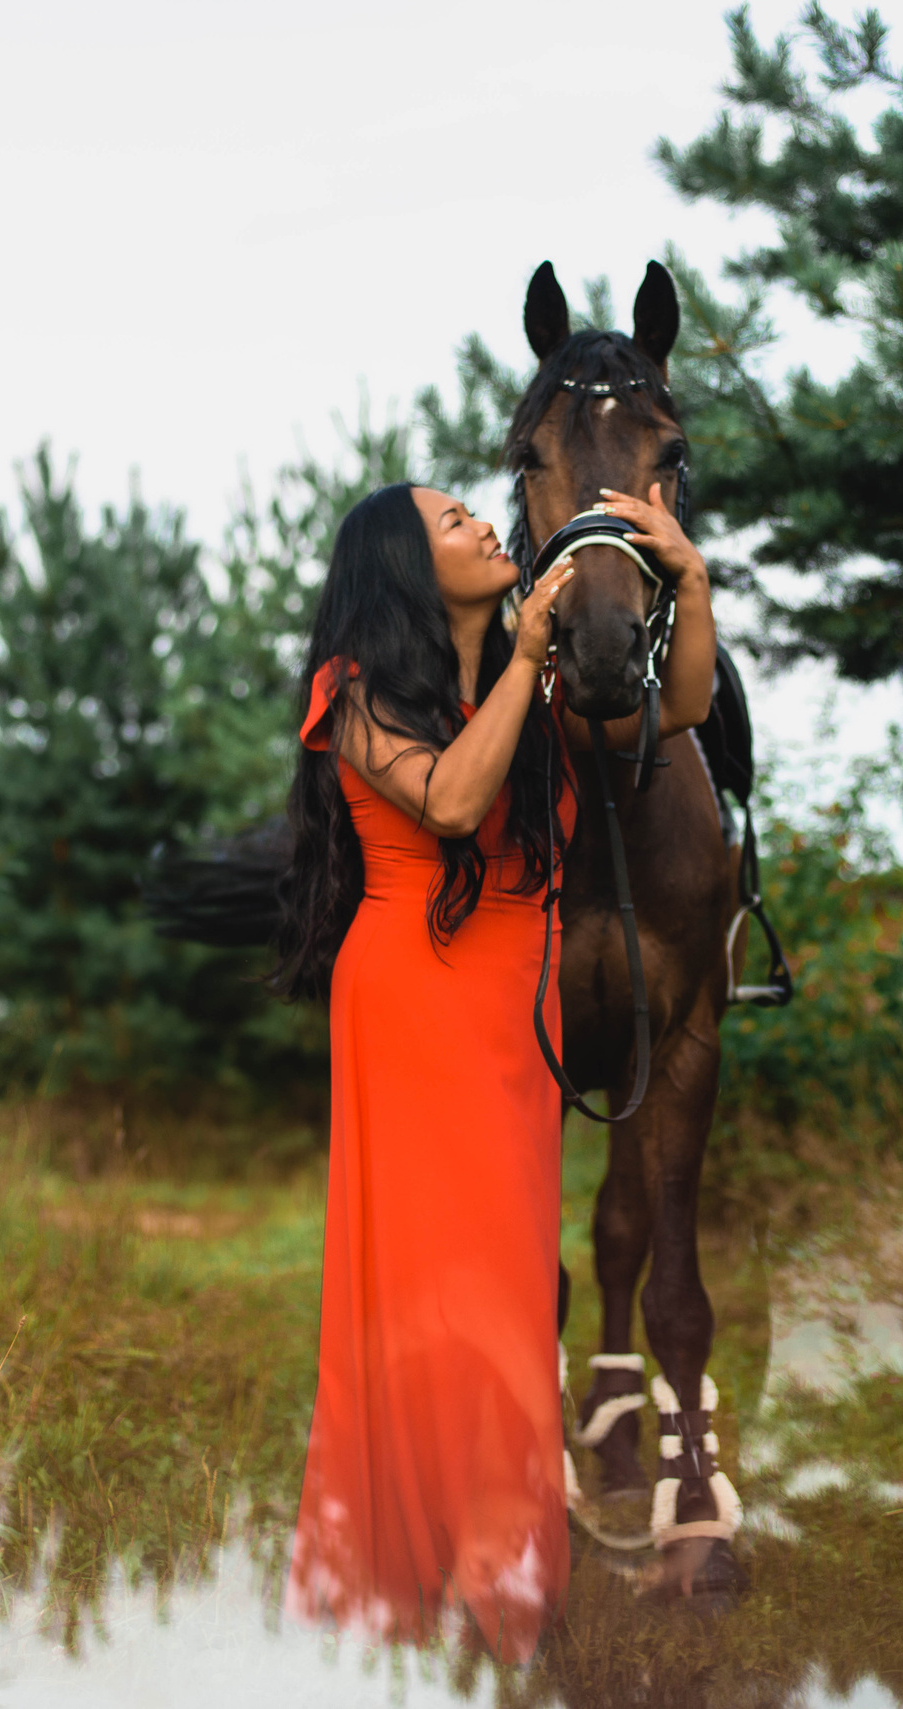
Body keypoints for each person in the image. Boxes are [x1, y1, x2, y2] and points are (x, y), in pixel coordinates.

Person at [274, 478, 705, 1657]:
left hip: (516, 1001)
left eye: (474, 509)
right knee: (431, 1281)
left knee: (510, 1283)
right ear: (407, 569)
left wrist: (690, 577)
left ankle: (496, 1554)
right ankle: (448, 1559)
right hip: (412, 992)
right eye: (451, 519)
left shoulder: (546, 681)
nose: (480, 523)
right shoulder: (354, 693)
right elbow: (455, 802)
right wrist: (522, 662)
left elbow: (684, 704)